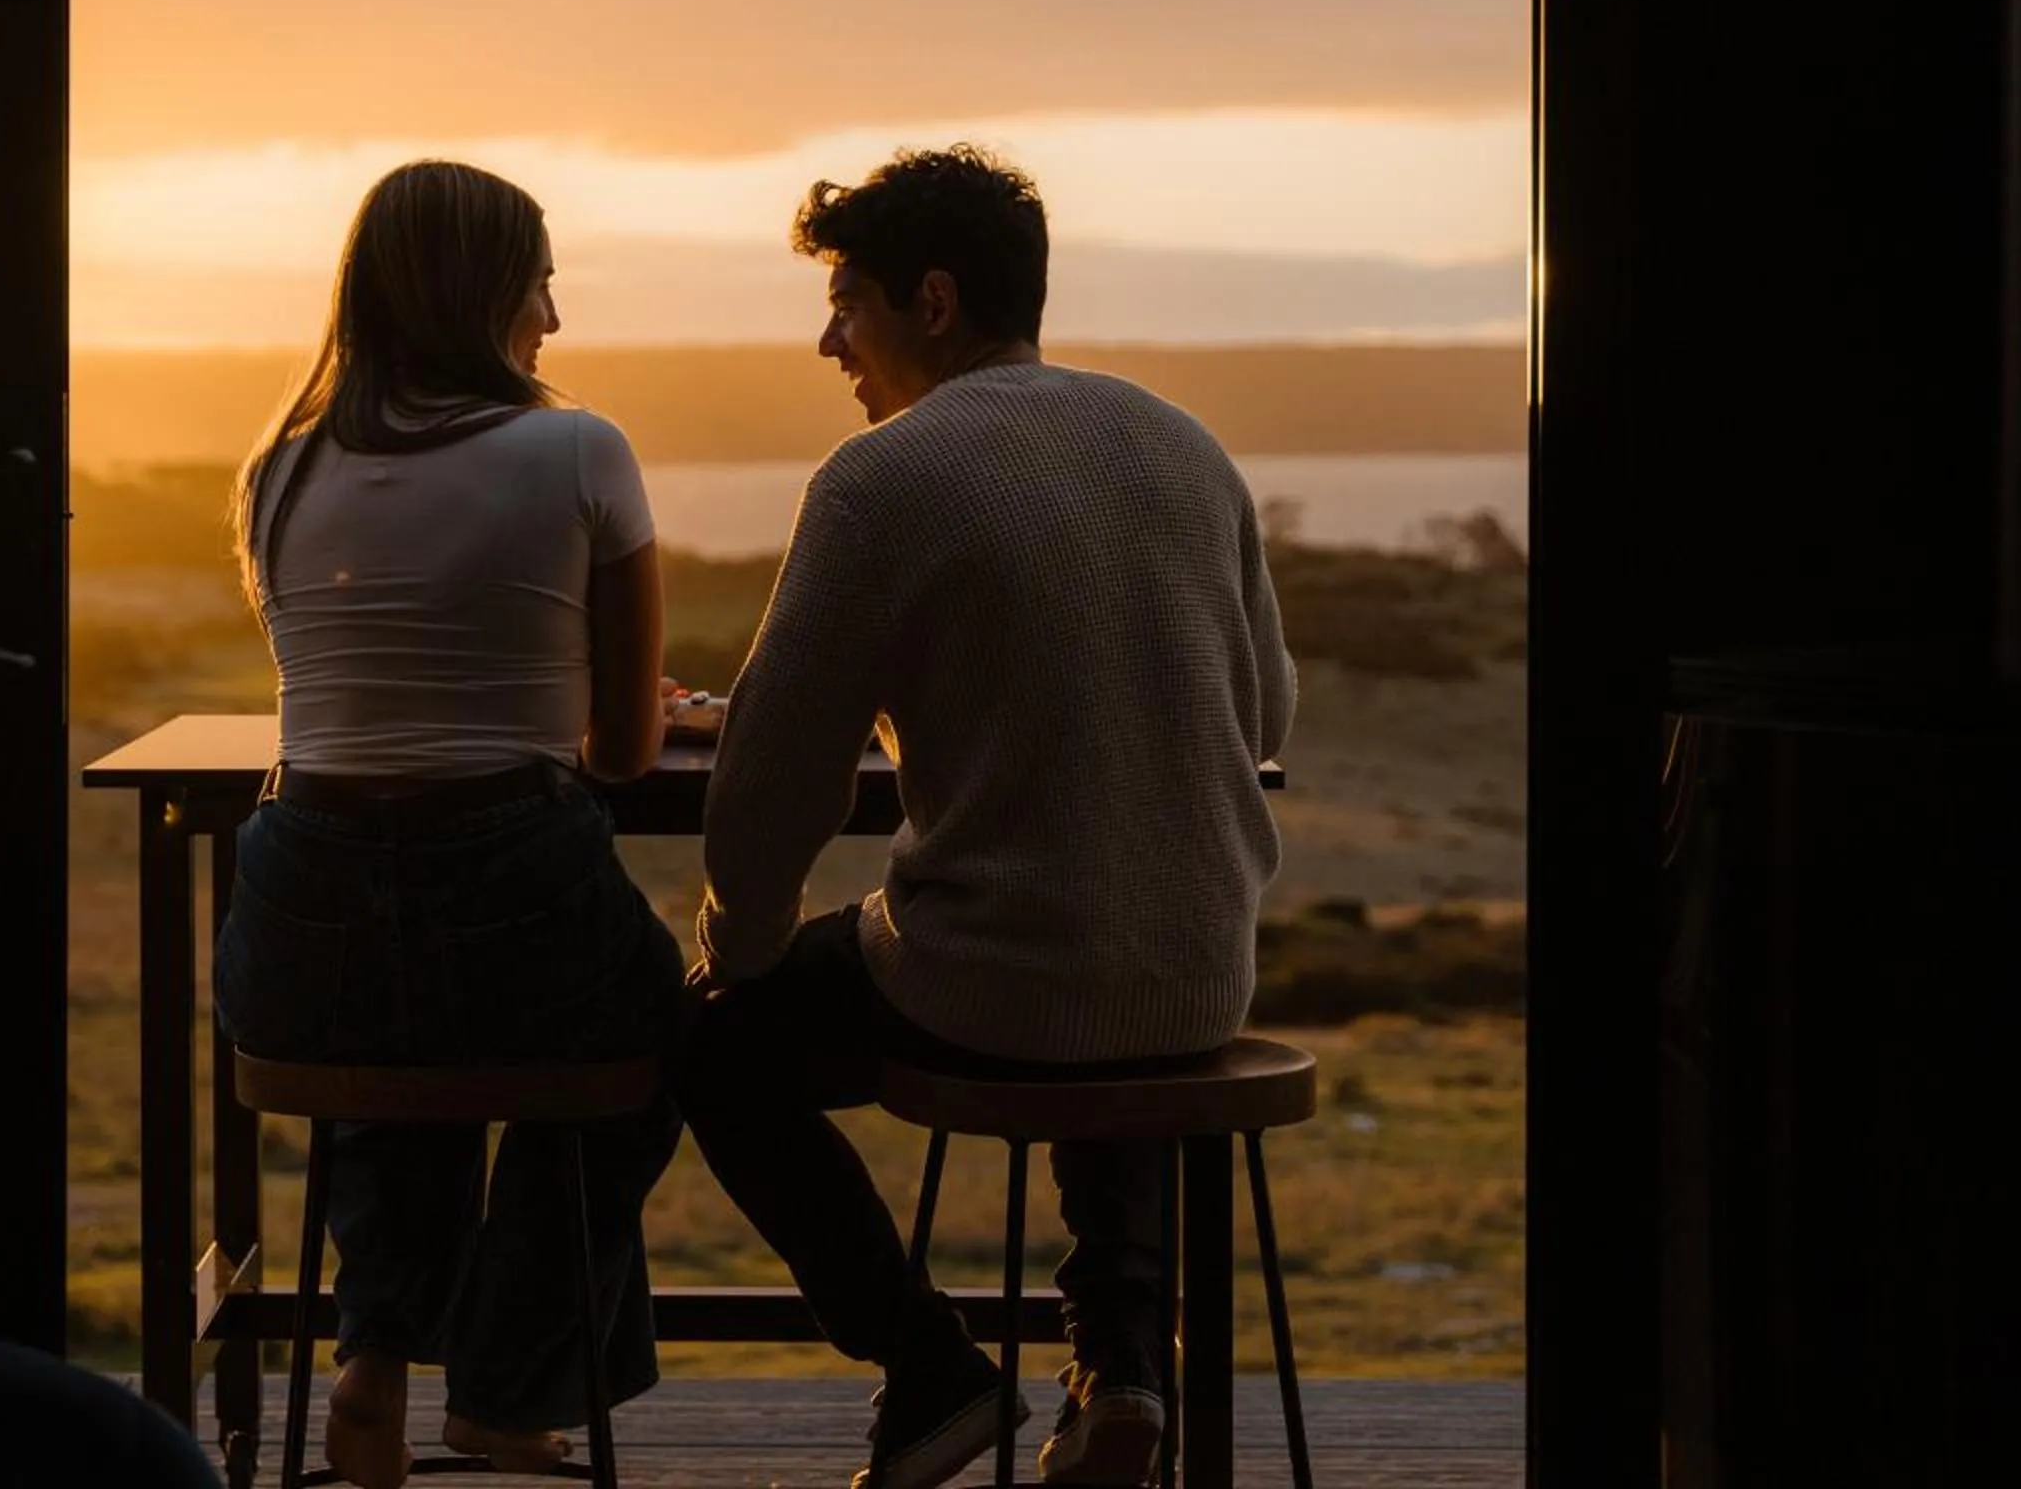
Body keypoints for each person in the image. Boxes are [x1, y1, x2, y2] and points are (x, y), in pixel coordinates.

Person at [671, 146, 1296, 1489]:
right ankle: (1124, 1370)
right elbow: (1270, 718)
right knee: (1097, 963)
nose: (828, 336)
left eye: (847, 300)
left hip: (1001, 986)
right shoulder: (1181, 443)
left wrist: (746, 940)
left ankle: (931, 1371)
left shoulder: (879, 479)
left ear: (933, 302)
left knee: (712, 1047)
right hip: (1198, 977)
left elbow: (774, 784)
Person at [212, 160, 688, 1489]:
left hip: (297, 919)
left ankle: (370, 1352)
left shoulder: (280, 470)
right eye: (539, 281)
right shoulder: (581, 449)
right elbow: (625, 750)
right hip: (510, 872)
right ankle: (503, 1387)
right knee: (650, 1045)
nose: (554, 315)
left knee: (392, 1053)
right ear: (485, 295)